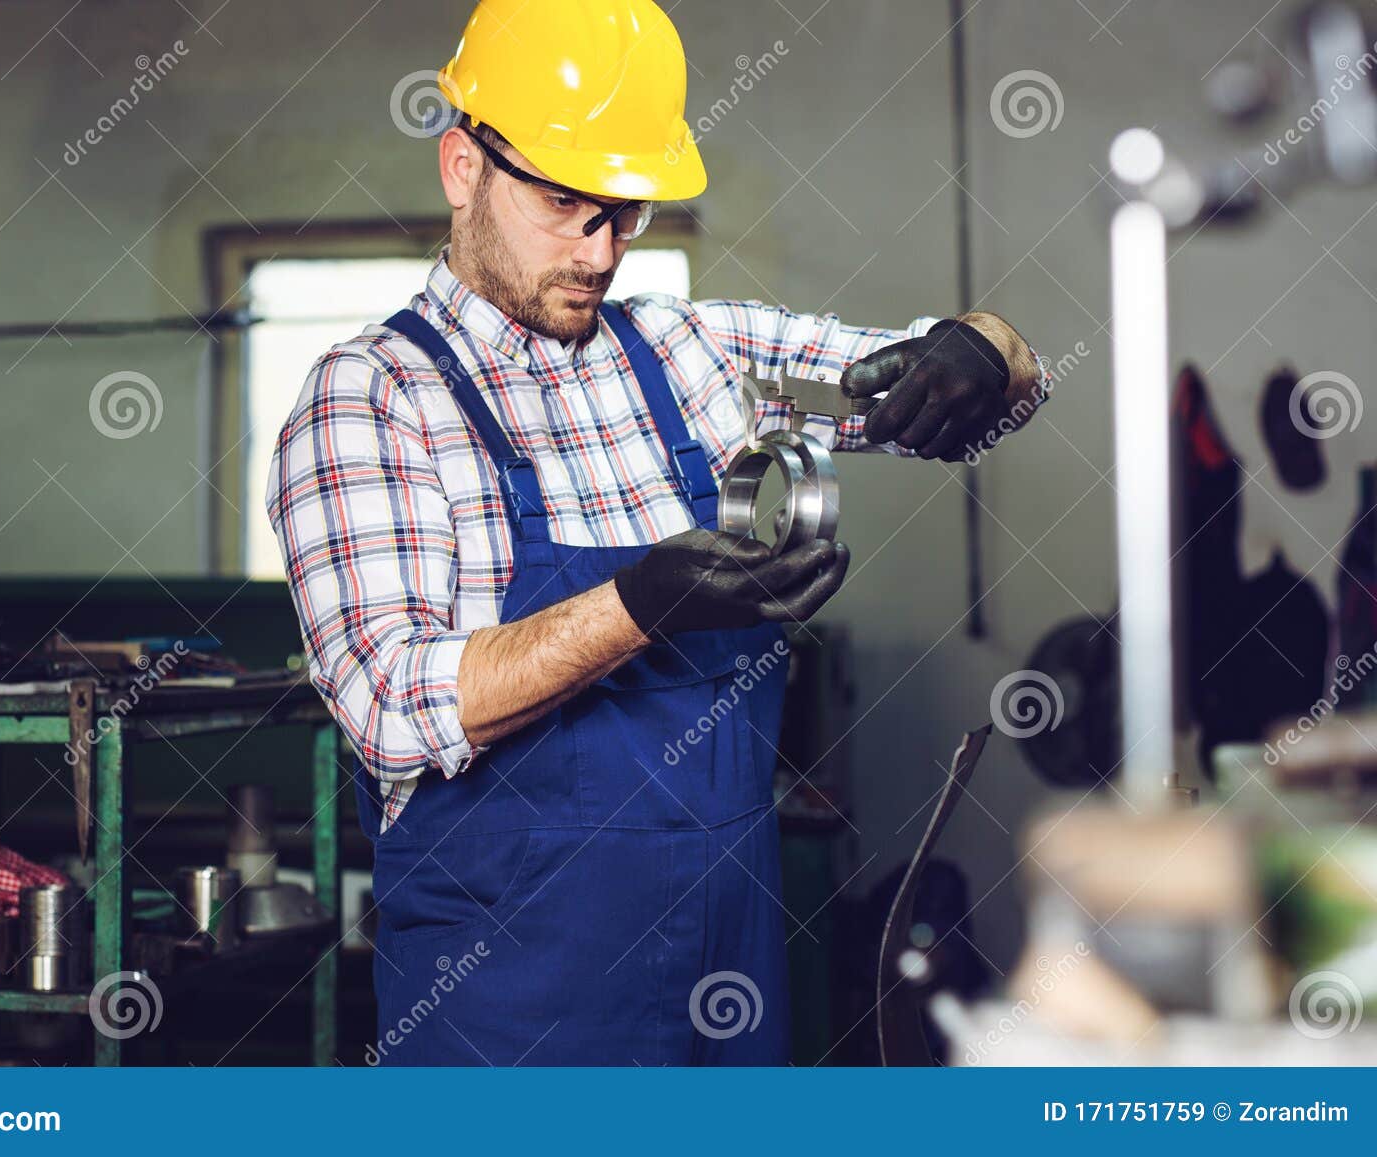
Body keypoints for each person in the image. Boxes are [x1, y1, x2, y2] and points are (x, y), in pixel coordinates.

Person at [268, 0, 1049, 1065]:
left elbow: (981, 381)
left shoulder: (695, 355)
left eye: (625, 213)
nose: (599, 251)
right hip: (512, 1015)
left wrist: (982, 348)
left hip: (731, 978)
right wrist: (643, 605)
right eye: (563, 203)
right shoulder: (371, 397)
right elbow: (392, 707)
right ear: (462, 167)